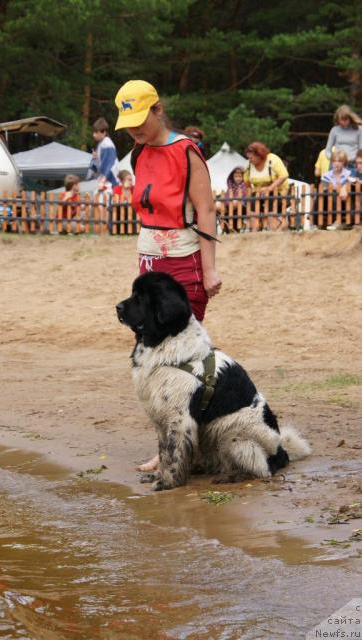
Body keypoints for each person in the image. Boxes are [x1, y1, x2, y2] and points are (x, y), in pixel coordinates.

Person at [114, 79, 222, 472]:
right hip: (149, 260)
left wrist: (210, 268)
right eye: (128, 123)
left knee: (181, 358)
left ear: (158, 110)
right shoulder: (137, 153)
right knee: (151, 353)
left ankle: (182, 448)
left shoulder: (187, 151)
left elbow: (205, 210)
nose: (135, 129)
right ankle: (171, 445)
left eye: (141, 119)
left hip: (184, 259)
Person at [321, 150, 352, 230]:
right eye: (334, 161)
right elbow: (324, 188)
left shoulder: (349, 174)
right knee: (322, 195)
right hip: (328, 201)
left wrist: (342, 188)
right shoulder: (326, 175)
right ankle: (314, 220)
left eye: (339, 161)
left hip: (344, 201)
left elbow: (351, 185)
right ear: (331, 162)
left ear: (344, 163)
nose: (336, 163)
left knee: (335, 194)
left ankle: (337, 221)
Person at [88, 117, 119, 190]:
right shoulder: (101, 144)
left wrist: (103, 180)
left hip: (110, 182)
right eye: (94, 132)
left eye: (96, 132)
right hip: (106, 182)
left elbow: (108, 164)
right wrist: (95, 158)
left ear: (104, 132)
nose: (94, 135)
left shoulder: (107, 144)